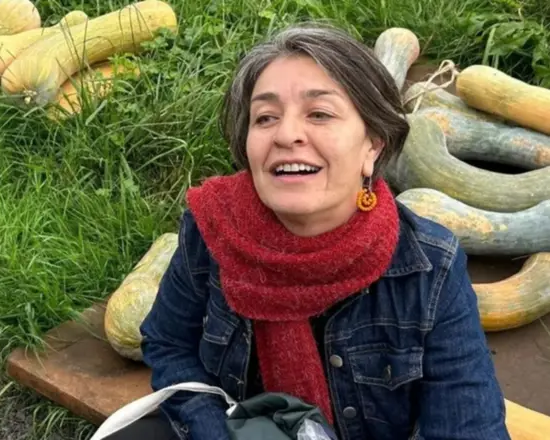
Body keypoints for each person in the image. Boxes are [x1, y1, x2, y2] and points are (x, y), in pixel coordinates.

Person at [105, 22, 511, 440]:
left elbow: (468, 430)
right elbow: (169, 344)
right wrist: (214, 431)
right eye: (266, 117)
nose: (286, 135)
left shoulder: (430, 267)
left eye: (319, 114)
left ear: (372, 145)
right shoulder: (211, 229)